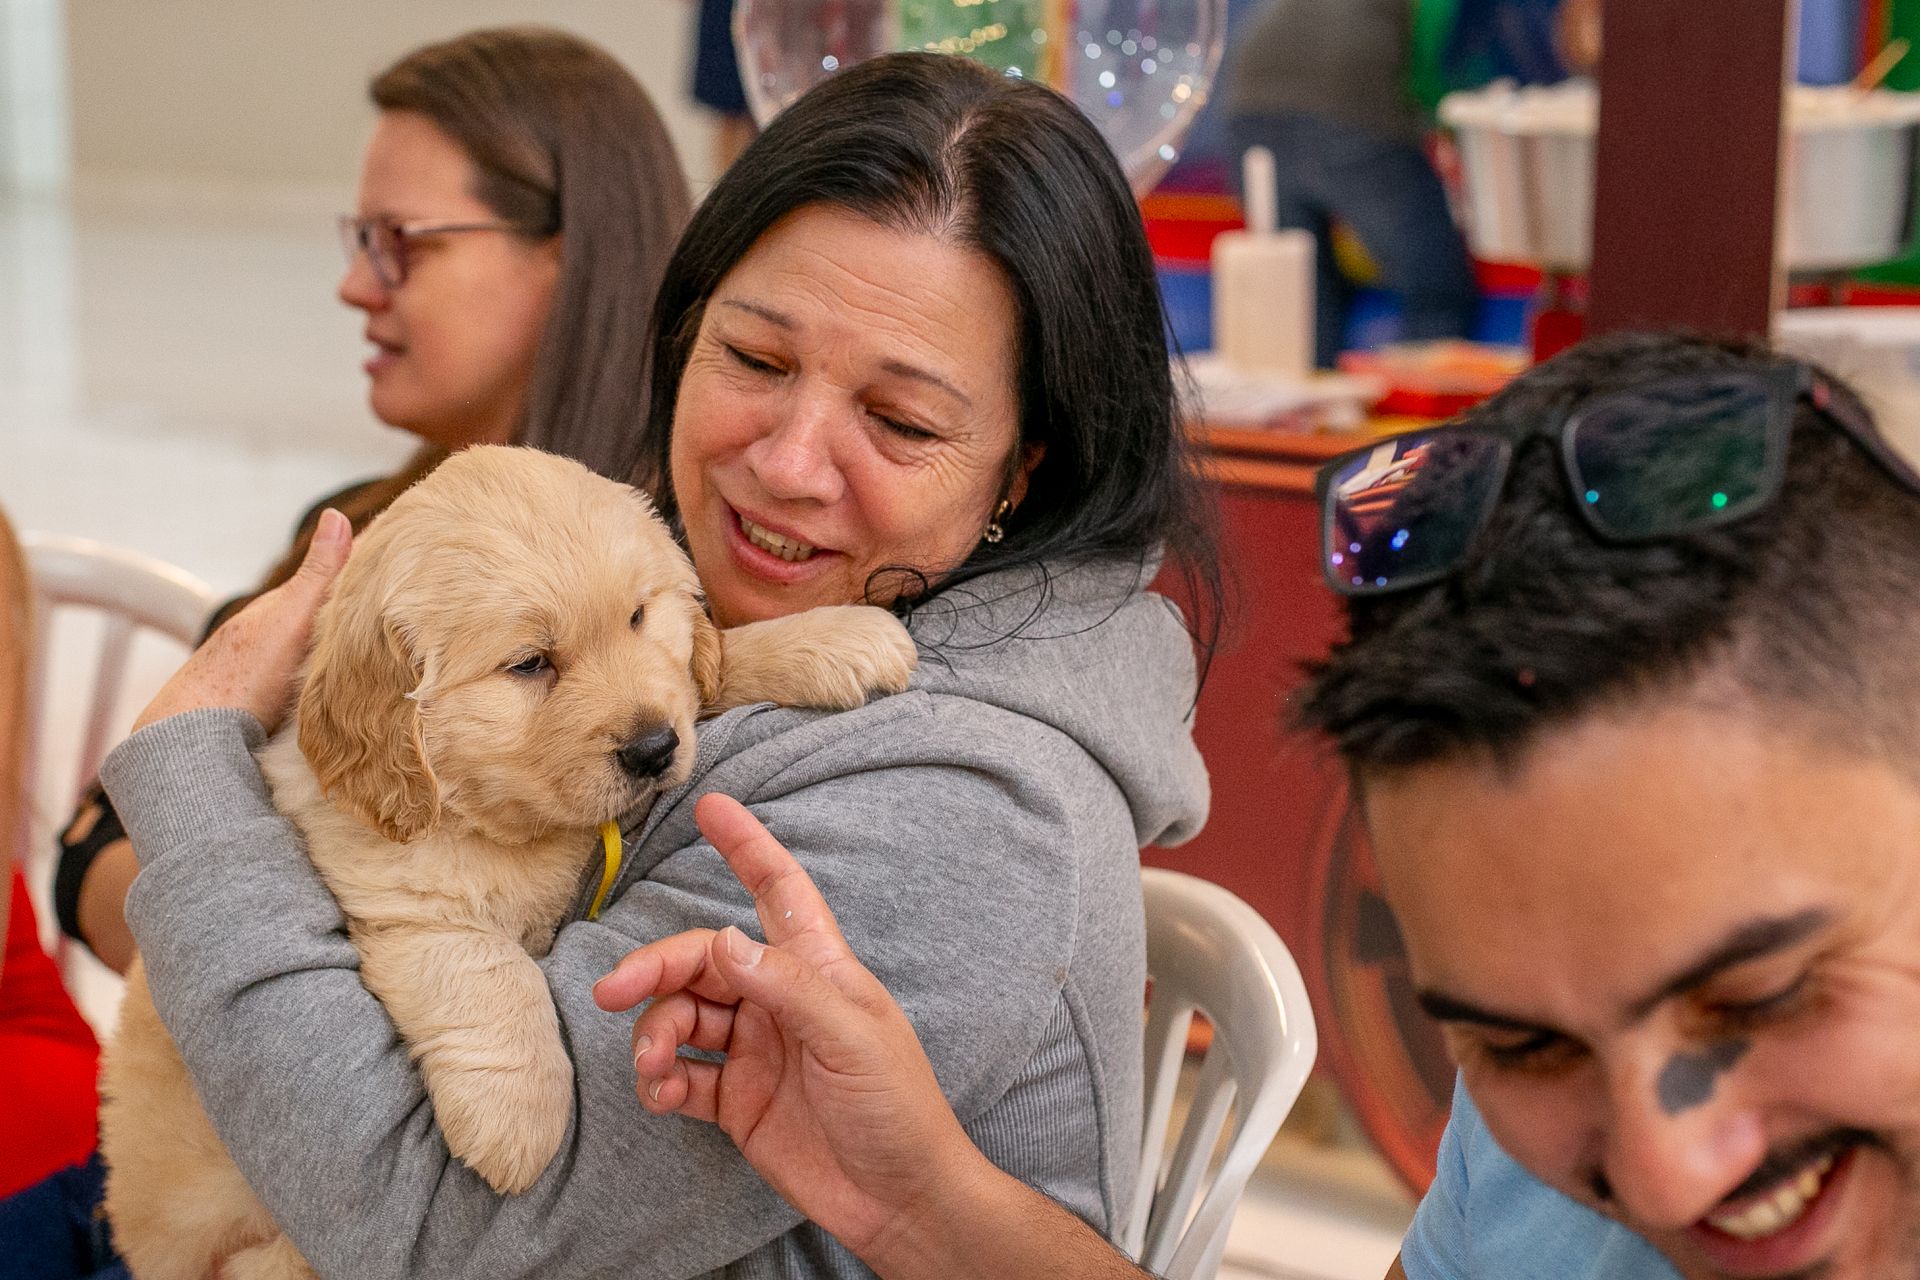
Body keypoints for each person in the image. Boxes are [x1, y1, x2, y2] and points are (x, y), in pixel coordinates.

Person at [93, 51, 1218, 1278]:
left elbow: (432, 1235)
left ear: (1024, 469)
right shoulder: (672, 586)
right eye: (755, 359)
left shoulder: (962, 809)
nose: (789, 461)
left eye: (898, 421)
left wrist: (190, 779)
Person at [604, 332, 1920, 1280]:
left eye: (1763, 998)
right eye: (1525, 1051)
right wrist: (915, 1198)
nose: (1665, 1170)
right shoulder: (1556, 1133)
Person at [53, 25, 692, 977]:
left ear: (567, 256)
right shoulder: (358, 536)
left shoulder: (672, 603)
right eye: (358, 241)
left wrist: (220, 920)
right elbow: (88, 851)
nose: (356, 286)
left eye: (399, 243)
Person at [1222, 0, 1481, 366]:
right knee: (1438, 289)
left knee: (1305, 299)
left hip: (1250, 96)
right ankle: (1424, 408)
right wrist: (1448, 126)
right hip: (1347, 95)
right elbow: (1431, 64)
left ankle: (1302, 415)